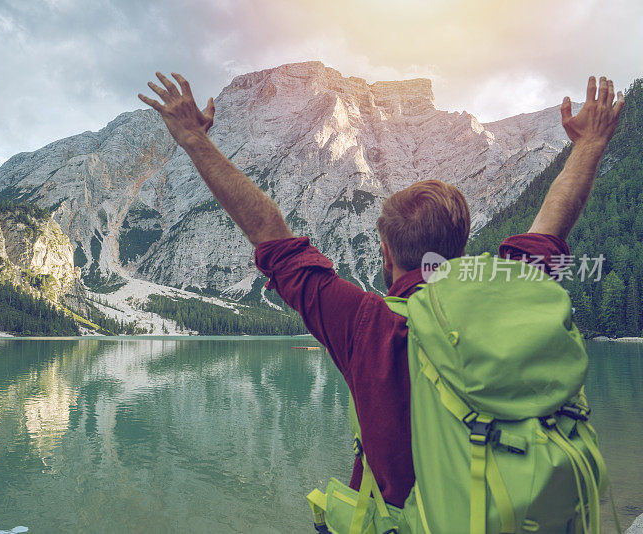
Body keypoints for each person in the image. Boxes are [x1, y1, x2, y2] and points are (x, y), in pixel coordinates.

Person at [138, 73, 624, 509]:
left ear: (386, 255)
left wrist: (191, 138)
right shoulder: (517, 286)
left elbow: (269, 234)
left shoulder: (369, 323)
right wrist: (590, 143)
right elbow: (553, 220)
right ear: (458, 245)